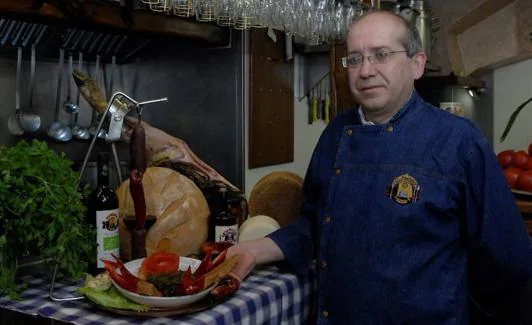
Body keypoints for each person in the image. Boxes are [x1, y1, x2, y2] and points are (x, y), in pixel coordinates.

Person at [227, 10, 532, 324]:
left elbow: (507, 258)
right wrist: (254, 250)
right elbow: (316, 225)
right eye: (355, 59)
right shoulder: (335, 133)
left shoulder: (460, 142)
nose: (366, 71)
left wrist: (448, 299)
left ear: (417, 64)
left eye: (381, 55)